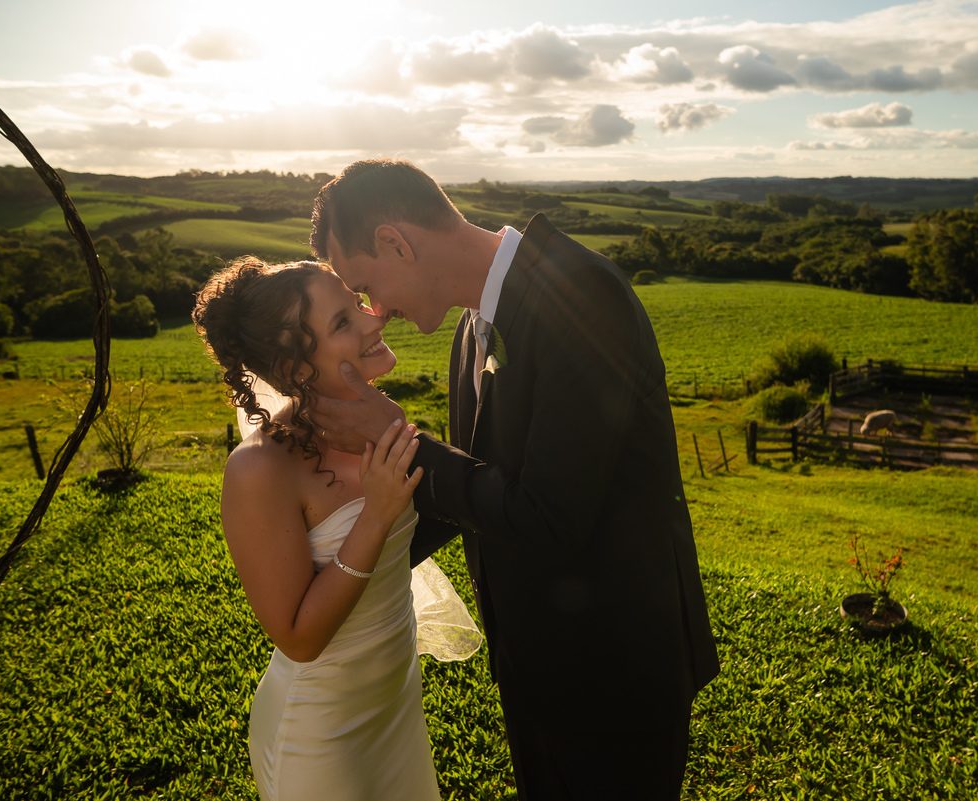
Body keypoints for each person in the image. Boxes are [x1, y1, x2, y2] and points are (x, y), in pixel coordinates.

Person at [308, 159, 720, 799]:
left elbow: (549, 515)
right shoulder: (472, 325)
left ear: (397, 242)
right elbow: (481, 487)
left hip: (615, 672)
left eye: (366, 286)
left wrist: (402, 443)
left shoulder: (580, 295)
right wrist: (345, 565)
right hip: (536, 664)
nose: (375, 310)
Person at [193, 257, 479, 801]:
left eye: (357, 304)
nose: (376, 320)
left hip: (395, 704)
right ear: (296, 368)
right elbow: (299, 638)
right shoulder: (260, 469)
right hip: (321, 732)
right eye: (345, 322)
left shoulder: (380, 420)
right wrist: (375, 516)